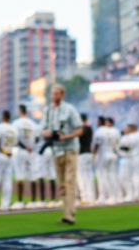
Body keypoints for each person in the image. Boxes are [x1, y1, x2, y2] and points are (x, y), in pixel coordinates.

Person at [40, 84, 82, 225]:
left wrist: (66, 136)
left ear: (62, 95)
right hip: (56, 150)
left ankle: (70, 214)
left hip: (70, 148)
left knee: (69, 180)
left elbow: (79, 130)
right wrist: (50, 134)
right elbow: (43, 129)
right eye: (52, 93)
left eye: (56, 94)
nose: (53, 96)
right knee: (62, 184)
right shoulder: (47, 111)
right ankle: (67, 212)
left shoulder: (69, 109)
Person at [10, 105, 38, 209]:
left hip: (21, 151)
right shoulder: (33, 124)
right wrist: (30, 147)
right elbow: (37, 138)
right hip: (31, 151)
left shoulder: (16, 123)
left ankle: (20, 201)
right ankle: (34, 201)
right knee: (32, 175)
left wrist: (25, 147)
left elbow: (15, 138)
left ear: (20, 111)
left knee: (20, 175)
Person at [117, 124, 139, 202]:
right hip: (126, 158)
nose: (124, 129)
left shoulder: (133, 136)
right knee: (124, 177)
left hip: (133, 158)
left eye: (125, 128)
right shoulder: (125, 137)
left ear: (130, 129)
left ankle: (135, 194)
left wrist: (117, 146)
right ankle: (130, 194)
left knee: (133, 177)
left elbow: (127, 148)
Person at [76, 114, 95, 204]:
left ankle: (84, 197)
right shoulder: (90, 128)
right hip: (89, 153)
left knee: (81, 175)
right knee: (89, 175)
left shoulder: (80, 129)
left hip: (81, 153)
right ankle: (91, 196)